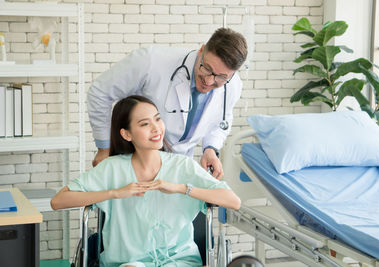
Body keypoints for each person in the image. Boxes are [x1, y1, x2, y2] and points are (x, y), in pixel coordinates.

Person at [51, 95, 241, 267]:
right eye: (144, 124)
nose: (156, 128)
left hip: (180, 262)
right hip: (129, 262)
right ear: (126, 134)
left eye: (157, 119)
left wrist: (181, 188)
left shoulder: (182, 166)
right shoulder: (112, 168)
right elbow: (58, 201)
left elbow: (233, 201)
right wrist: (115, 193)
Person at [88, 28, 248, 179]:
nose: (209, 80)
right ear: (202, 50)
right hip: (134, 159)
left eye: (221, 77)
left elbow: (221, 121)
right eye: (206, 68)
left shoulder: (232, 86)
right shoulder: (150, 61)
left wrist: (210, 149)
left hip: (178, 166)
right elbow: (100, 92)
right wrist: (104, 148)